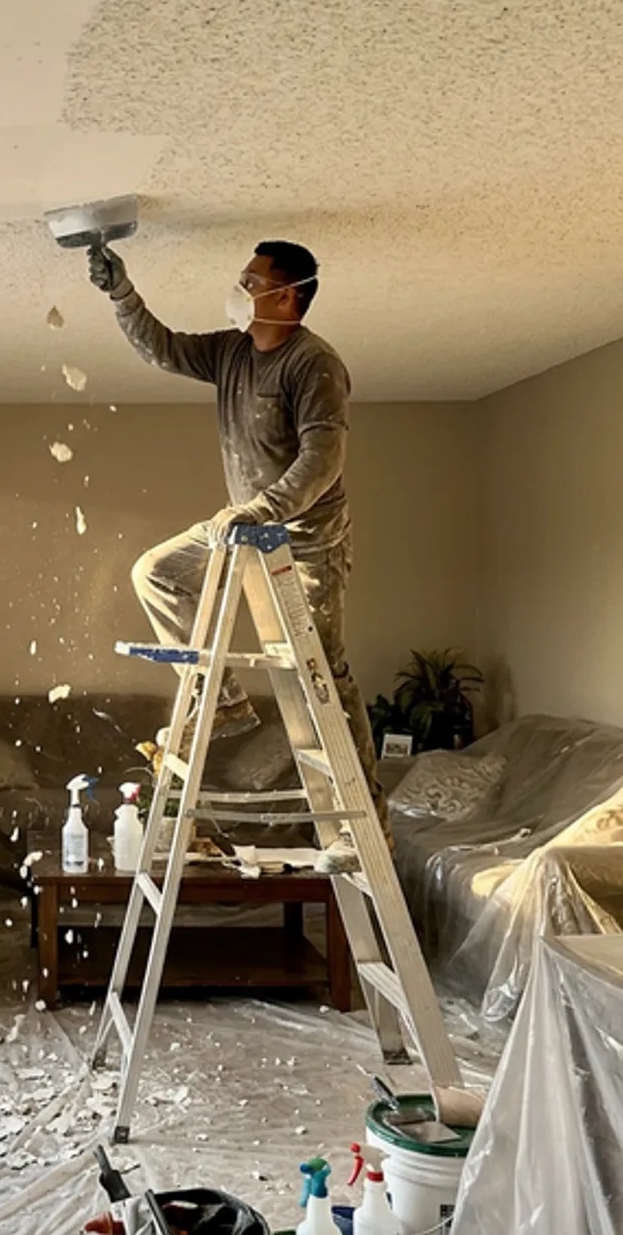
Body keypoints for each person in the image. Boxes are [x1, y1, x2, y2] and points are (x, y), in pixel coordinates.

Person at [88, 238, 385, 856]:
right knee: (157, 573)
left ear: (287, 296)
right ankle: (221, 700)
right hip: (243, 527)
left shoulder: (314, 364)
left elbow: (322, 458)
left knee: (321, 674)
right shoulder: (232, 352)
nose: (239, 289)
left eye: (251, 282)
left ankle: (366, 826)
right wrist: (121, 291)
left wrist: (263, 509)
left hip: (306, 540)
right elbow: (163, 347)